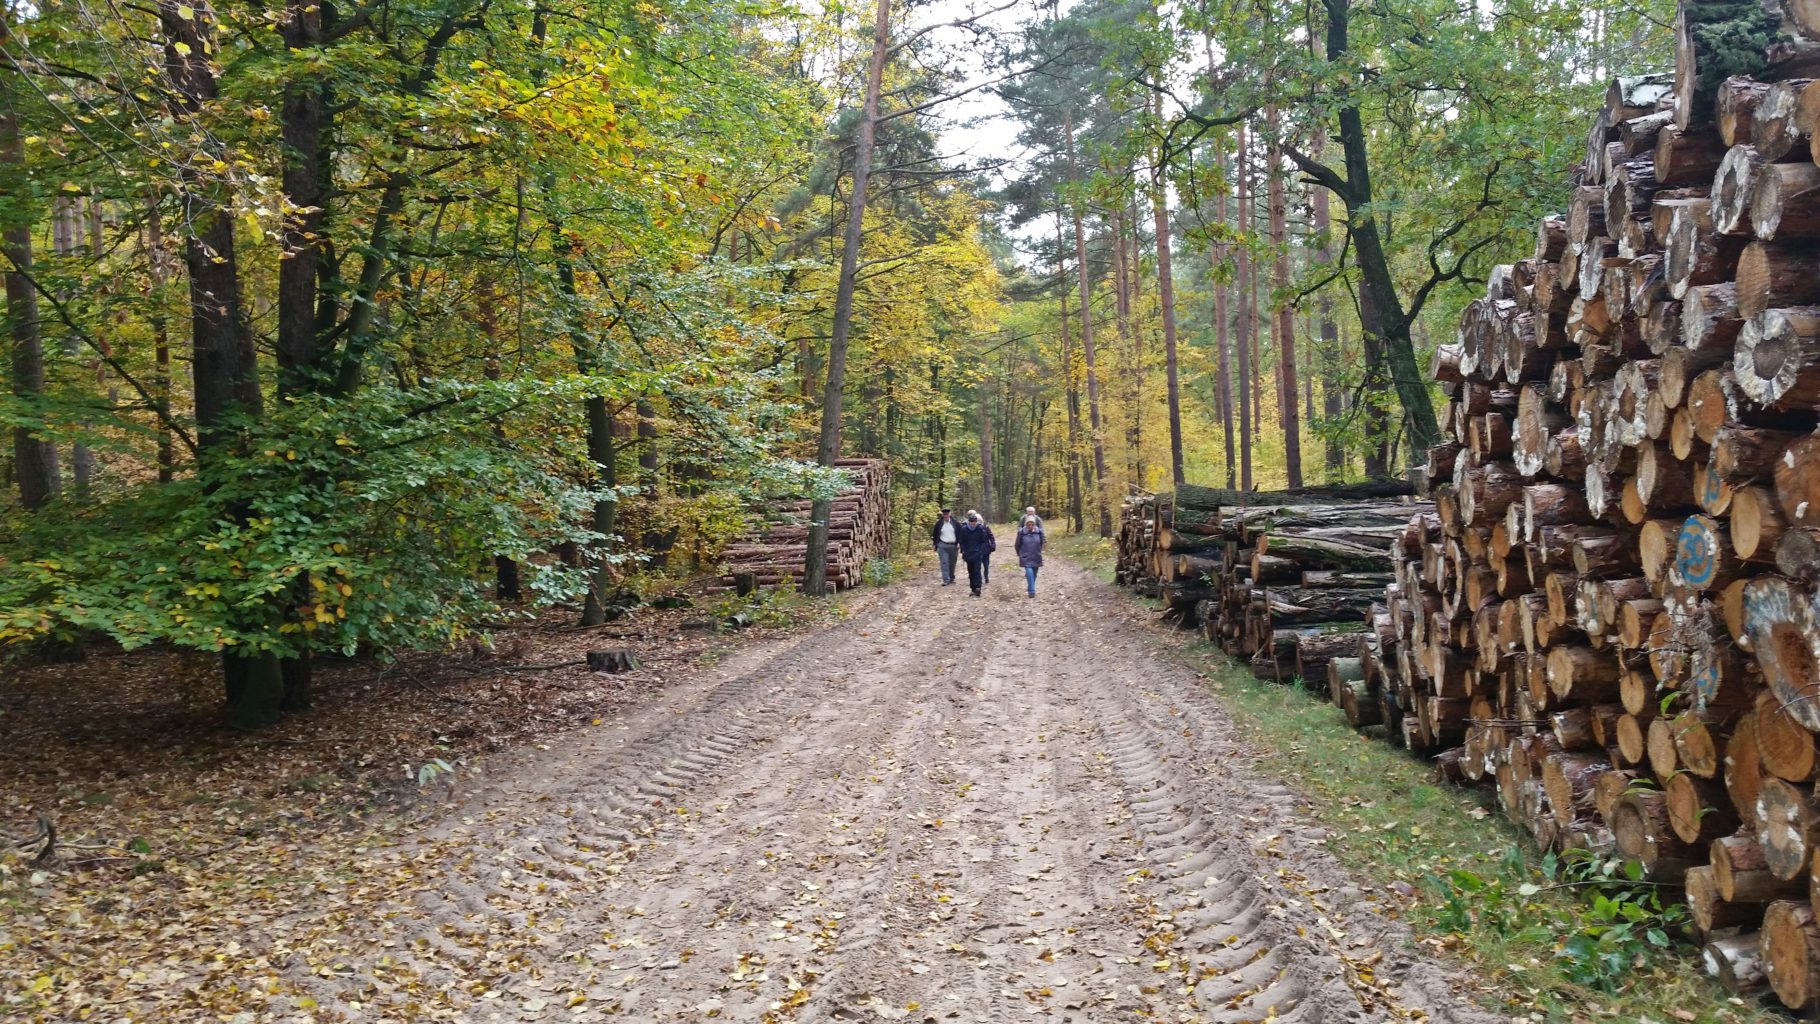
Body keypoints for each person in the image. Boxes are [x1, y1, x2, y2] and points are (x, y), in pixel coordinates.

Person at [957, 510, 996, 597]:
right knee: (971, 572)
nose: (973, 524)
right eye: (971, 522)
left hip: (977, 554)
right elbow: (961, 541)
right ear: (969, 522)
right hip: (968, 554)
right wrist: (963, 550)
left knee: (977, 571)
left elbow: (983, 541)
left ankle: (978, 587)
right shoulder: (964, 529)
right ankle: (973, 589)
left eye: (974, 522)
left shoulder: (980, 528)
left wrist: (980, 550)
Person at [1014, 515, 1045, 598]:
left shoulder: (1039, 532)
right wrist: (1019, 553)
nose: (1030, 526)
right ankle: (1032, 591)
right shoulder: (1021, 532)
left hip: (1036, 555)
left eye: (1032, 524)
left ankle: (1030, 587)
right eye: (1028, 524)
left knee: (1034, 573)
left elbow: (1042, 543)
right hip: (1025, 555)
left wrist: (1040, 551)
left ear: (1035, 524)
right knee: (1029, 571)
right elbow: (1017, 544)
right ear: (1026, 525)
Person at [930, 508, 960, 586]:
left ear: (949, 514)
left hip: (953, 545)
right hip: (942, 545)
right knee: (944, 562)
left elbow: (960, 533)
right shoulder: (939, 524)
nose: (946, 516)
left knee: (952, 563)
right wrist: (934, 544)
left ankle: (951, 578)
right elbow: (935, 534)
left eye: (947, 515)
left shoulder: (956, 523)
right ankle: (946, 579)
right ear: (943, 515)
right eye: (944, 515)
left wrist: (959, 542)